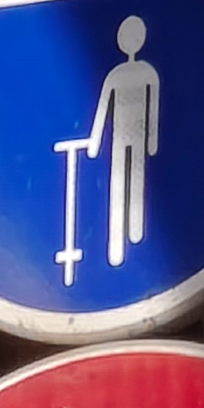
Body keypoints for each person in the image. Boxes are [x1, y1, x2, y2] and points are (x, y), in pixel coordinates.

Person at [88, 15, 158, 268]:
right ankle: (116, 242)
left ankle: (136, 231)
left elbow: (153, 106)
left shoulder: (148, 73)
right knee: (119, 181)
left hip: (136, 133)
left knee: (136, 180)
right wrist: (95, 142)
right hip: (120, 135)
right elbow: (103, 106)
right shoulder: (116, 75)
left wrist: (152, 139)